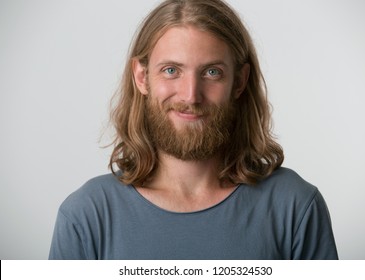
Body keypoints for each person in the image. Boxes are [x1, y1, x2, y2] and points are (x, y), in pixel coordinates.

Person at [49, 0, 338, 260]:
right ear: (142, 77)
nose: (190, 96)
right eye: (171, 70)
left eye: (212, 72)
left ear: (239, 82)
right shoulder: (86, 215)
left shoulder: (295, 206)